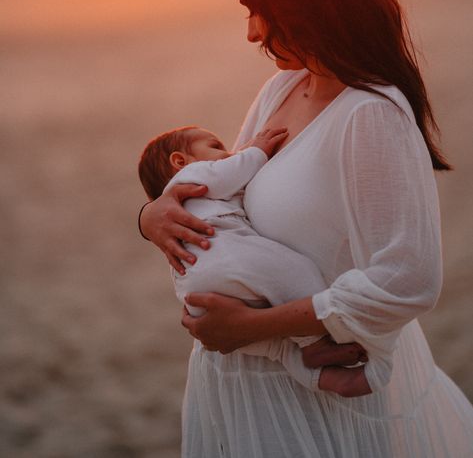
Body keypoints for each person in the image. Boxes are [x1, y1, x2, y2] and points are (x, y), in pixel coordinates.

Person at [139, 0, 473, 457]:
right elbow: (231, 190)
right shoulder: (285, 87)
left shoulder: (370, 113)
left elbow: (410, 278)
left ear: (305, 2)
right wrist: (150, 216)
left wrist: (256, 327)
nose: (252, 32)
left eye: (259, 10)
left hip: (317, 399)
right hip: (248, 391)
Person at [138, 125, 394, 397]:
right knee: (296, 269)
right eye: (216, 146)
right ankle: (314, 341)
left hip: (196, 289)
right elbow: (230, 173)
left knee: (274, 346)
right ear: (180, 161)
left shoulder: (181, 202)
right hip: (225, 257)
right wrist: (256, 150)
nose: (228, 153)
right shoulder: (192, 177)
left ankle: (313, 372)